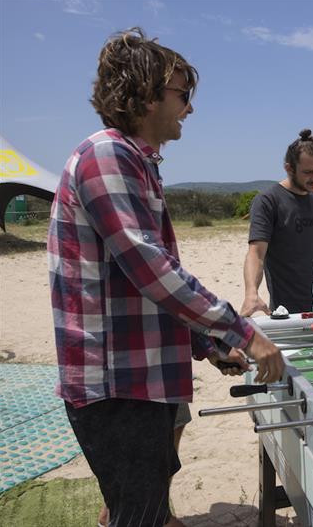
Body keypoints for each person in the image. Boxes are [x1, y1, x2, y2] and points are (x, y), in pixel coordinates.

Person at [47, 28, 283, 527]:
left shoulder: (137, 161)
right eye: (182, 95)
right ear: (143, 93)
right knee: (139, 518)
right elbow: (151, 269)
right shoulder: (106, 155)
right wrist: (240, 331)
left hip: (139, 378)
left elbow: (146, 285)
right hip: (118, 384)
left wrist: (206, 343)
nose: (189, 109)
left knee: (144, 511)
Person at [242, 130, 313, 315]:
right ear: (289, 168)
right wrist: (251, 293)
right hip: (288, 312)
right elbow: (256, 253)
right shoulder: (268, 201)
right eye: (307, 172)